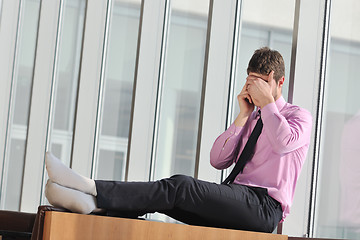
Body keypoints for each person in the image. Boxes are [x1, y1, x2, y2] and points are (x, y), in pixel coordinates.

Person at [45, 47, 312, 233]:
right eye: (251, 81)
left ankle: (91, 187)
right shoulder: (252, 118)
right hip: (238, 200)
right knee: (172, 197)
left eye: (262, 83)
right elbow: (218, 160)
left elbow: (283, 143)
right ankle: (95, 207)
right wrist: (242, 116)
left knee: (182, 187)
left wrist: (267, 105)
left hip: (264, 208)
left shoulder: (297, 116)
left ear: (279, 83)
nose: (255, 89)